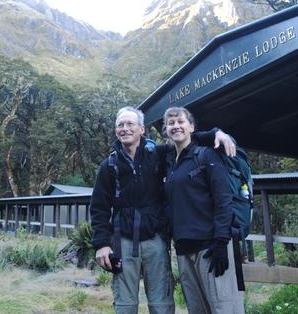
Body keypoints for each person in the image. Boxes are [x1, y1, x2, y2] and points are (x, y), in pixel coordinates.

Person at [90, 106, 235, 314]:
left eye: (130, 124)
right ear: (115, 132)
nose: (125, 129)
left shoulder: (158, 154)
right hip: (122, 239)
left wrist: (215, 133)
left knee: (161, 304)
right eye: (120, 125)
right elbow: (99, 207)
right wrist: (102, 244)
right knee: (124, 305)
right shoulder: (109, 166)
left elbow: (185, 139)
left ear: (142, 129)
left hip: (155, 238)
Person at [163, 106, 245, 314]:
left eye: (181, 121)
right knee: (197, 309)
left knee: (223, 308)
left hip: (211, 246)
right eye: (171, 123)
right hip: (183, 249)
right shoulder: (170, 161)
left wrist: (221, 241)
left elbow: (223, 199)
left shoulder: (207, 155)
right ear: (166, 129)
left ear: (191, 126)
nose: (176, 126)